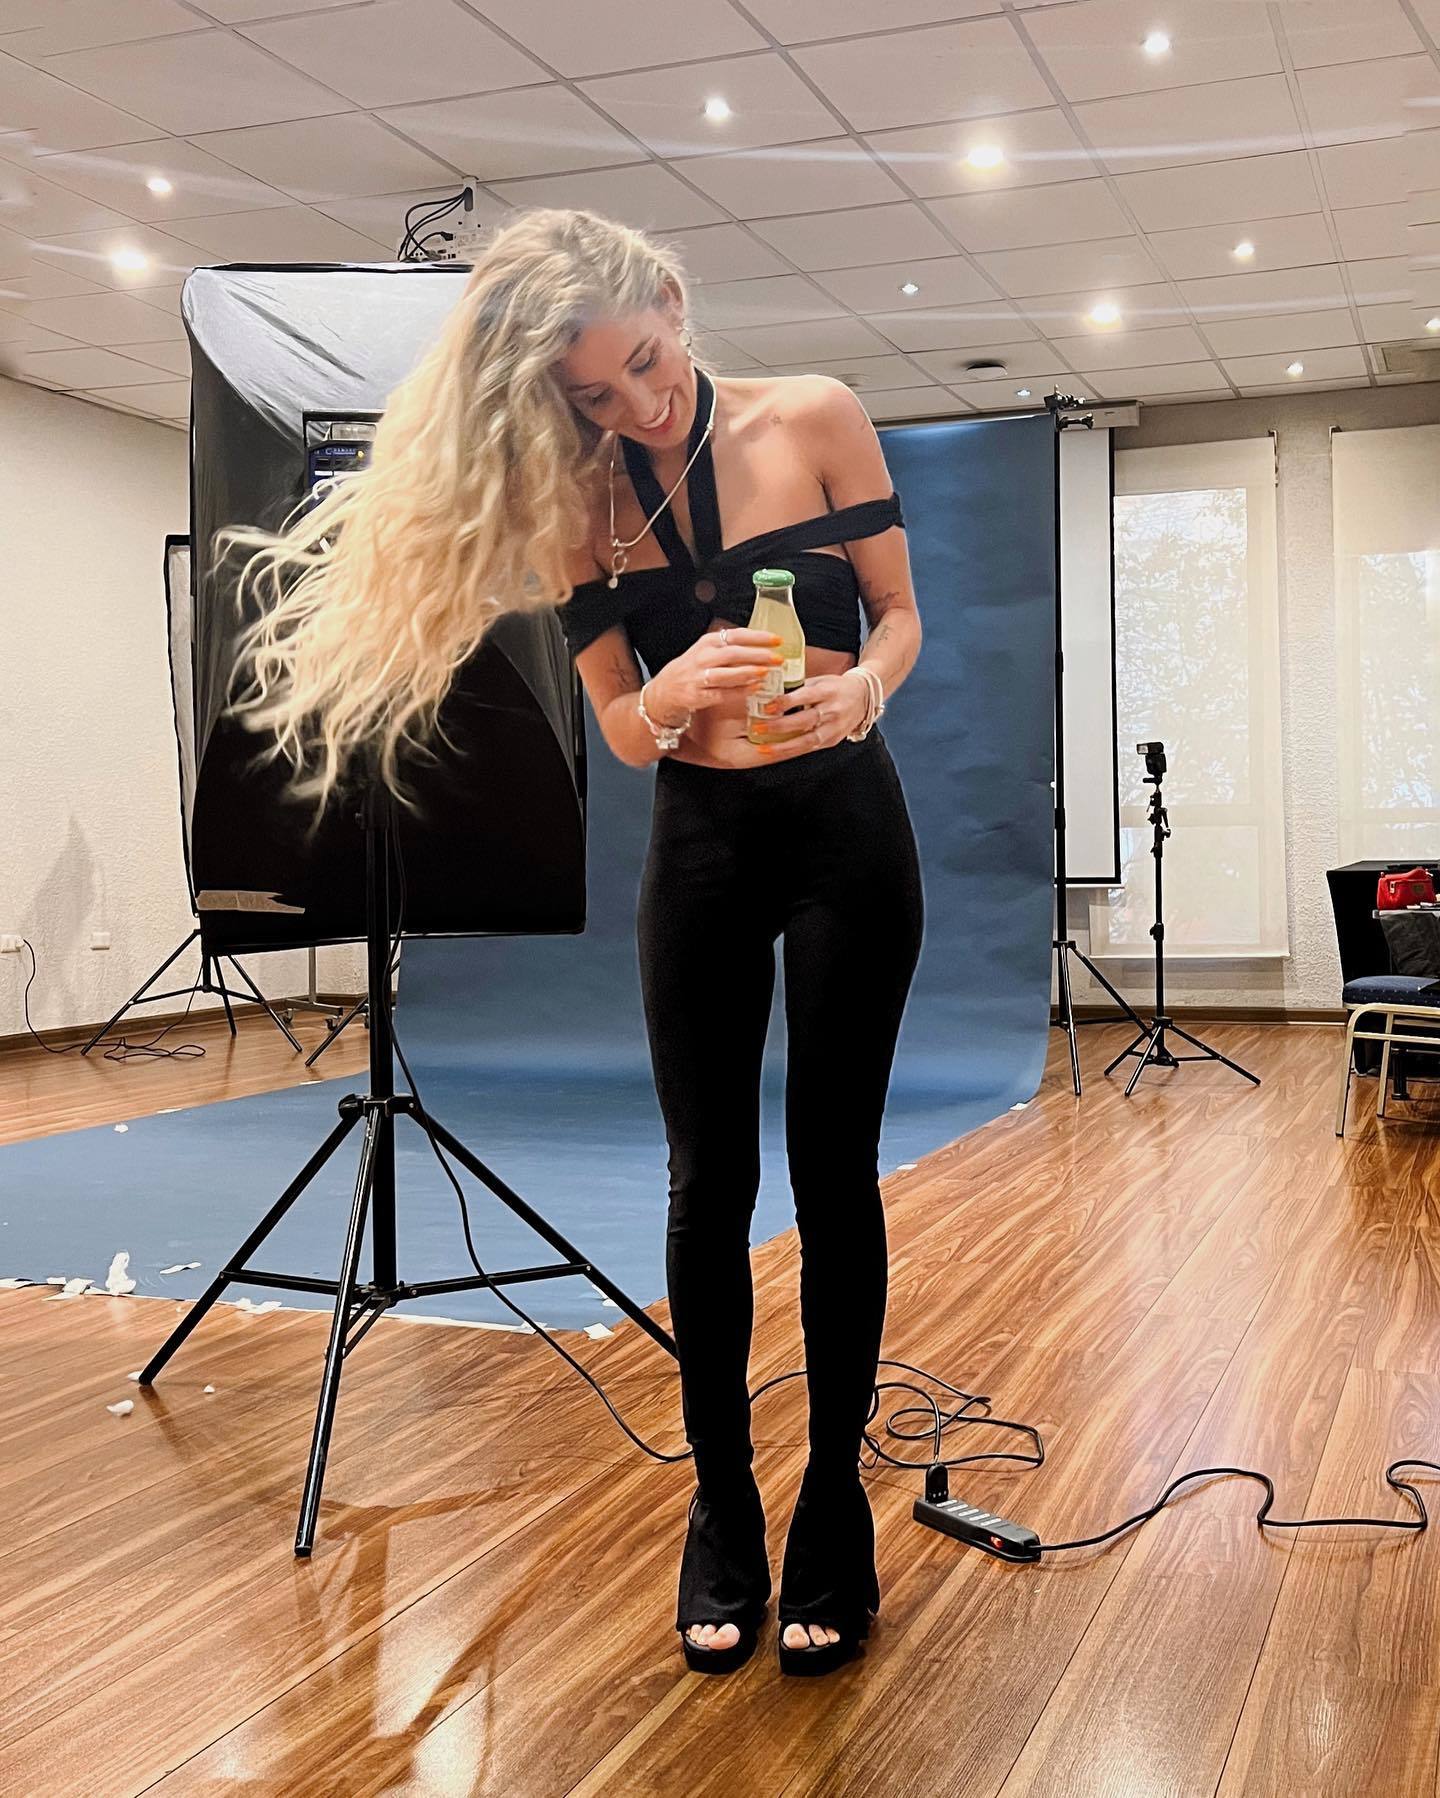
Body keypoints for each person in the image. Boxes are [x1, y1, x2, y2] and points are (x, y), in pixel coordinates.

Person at [227, 209, 924, 1679]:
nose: (638, 405)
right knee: (706, 1184)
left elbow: (901, 618)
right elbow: (616, 723)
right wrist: (665, 696)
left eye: (647, 363)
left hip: (847, 829)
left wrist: (863, 691)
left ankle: (832, 1503)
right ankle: (723, 1504)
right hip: (704, 841)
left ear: (673, 300)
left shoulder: (817, 417)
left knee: (834, 1170)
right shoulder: (578, 508)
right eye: (595, 393)